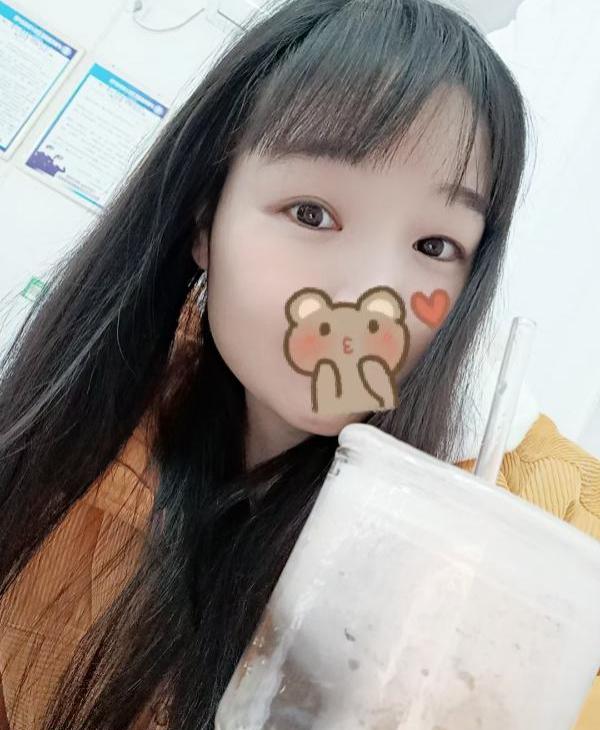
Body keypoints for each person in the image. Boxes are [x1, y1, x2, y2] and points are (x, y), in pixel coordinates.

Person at [0, 0, 598, 728]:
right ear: (205, 220)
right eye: (311, 213)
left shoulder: (553, 532)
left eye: (434, 247)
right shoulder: (82, 435)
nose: (370, 298)